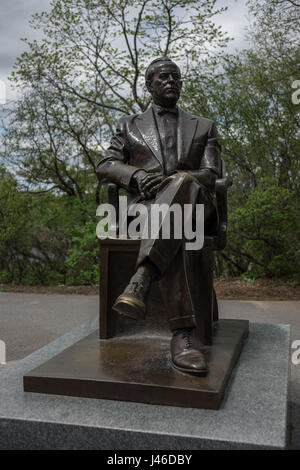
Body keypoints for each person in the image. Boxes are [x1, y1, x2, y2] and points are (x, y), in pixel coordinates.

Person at [96, 57, 221, 375]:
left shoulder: (204, 126)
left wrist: (179, 181)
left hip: (196, 207)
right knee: (171, 223)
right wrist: (135, 176)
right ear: (149, 85)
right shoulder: (128, 125)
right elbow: (106, 165)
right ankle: (183, 334)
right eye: (164, 77)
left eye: (176, 78)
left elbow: (210, 174)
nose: (171, 82)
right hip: (145, 208)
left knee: (182, 189)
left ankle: (142, 278)